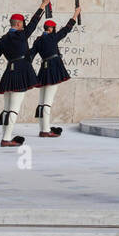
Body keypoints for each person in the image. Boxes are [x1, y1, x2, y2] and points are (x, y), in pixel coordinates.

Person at [0, 0, 48, 147]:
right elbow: (33, 23)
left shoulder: (3, 39)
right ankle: (6, 139)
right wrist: (42, 6)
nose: (24, 26)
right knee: (14, 109)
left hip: (8, 74)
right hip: (21, 72)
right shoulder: (21, 35)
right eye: (22, 24)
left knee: (6, 109)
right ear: (18, 24)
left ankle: (6, 137)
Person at [28, 7, 80, 138]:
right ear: (51, 29)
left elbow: (31, 56)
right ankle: (45, 130)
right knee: (47, 101)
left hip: (43, 69)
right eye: (53, 29)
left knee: (42, 101)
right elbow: (66, 29)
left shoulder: (38, 40)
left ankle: (43, 128)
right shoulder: (52, 37)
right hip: (53, 69)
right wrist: (75, 14)